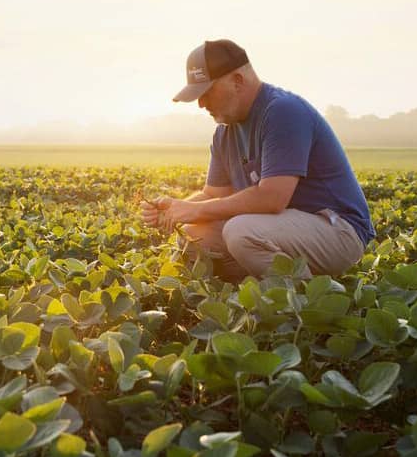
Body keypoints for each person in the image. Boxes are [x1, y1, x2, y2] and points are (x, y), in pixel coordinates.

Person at [141, 39, 375, 281]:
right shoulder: (225, 132)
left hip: (338, 230)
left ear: (238, 81)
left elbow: (272, 198)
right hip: (281, 230)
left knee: (241, 232)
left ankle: (304, 302)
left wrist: (196, 209)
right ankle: (252, 295)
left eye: (206, 92)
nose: (201, 104)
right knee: (193, 235)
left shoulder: (282, 111)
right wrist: (175, 208)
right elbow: (213, 195)